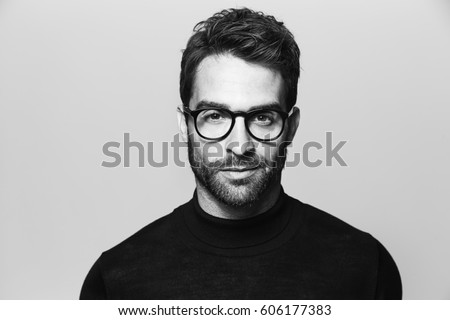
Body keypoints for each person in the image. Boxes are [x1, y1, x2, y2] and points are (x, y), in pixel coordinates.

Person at [80, 7, 402, 299]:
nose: (239, 144)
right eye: (215, 116)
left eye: (262, 117)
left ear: (290, 127)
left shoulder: (365, 267)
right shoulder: (115, 281)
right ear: (184, 124)